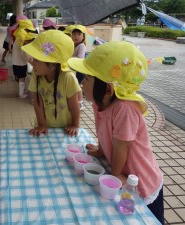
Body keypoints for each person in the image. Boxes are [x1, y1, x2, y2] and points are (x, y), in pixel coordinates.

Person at [67, 41, 164, 224]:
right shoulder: (99, 103)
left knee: (149, 219)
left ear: (108, 89)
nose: (81, 82)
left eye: (87, 79)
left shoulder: (125, 109)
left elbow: (122, 146)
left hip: (140, 178)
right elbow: (105, 133)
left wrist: (116, 173)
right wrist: (102, 151)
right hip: (124, 170)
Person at [21, 30, 81, 137]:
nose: (32, 63)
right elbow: (37, 102)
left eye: (37, 60)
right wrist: (41, 124)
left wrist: (75, 125)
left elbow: (74, 105)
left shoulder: (68, 77)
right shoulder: (36, 75)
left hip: (65, 129)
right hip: (43, 126)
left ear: (53, 64)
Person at [12, 19, 38, 98]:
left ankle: (22, 92)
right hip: (20, 63)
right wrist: (32, 62)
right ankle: (21, 94)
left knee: (21, 78)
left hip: (16, 62)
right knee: (22, 78)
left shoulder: (18, 38)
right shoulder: (22, 41)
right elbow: (25, 55)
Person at [71, 25, 87, 111]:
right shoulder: (75, 45)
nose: (76, 36)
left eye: (78, 34)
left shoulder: (81, 46)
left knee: (78, 87)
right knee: (76, 87)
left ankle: (80, 103)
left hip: (79, 70)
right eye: (74, 34)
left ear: (83, 36)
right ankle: (78, 101)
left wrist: (69, 59)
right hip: (75, 69)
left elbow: (80, 58)